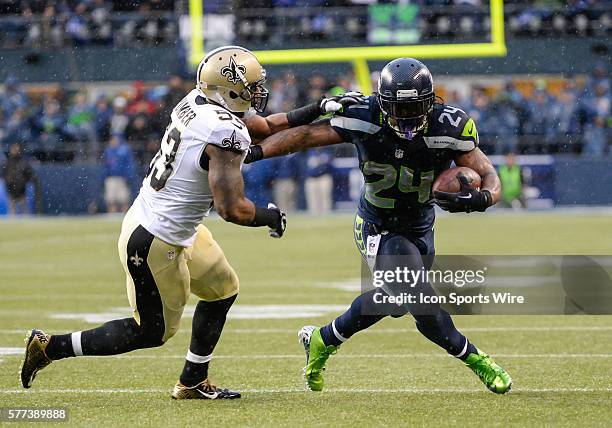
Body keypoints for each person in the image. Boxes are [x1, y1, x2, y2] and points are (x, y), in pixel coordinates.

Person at [20, 45, 359, 400]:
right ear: (228, 88)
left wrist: (318, 108)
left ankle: (193, 380)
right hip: (155, 240)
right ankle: (50, 347)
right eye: (251, 86)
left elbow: (264, 126)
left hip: (168, 222)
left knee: (222, 288)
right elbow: (233, 209)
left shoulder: (199, 101)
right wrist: (270, 216)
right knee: (151, 332)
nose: (258, 91)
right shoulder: (222, 133)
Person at [246, 58, 512, 394]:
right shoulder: (364, 115)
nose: (406, 116)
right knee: (418, 300)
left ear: (431, 101)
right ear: (383, 103)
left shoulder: (451, 126)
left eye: (414, 106)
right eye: (399, 108)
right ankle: (477, 360)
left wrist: (483, 199)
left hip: (421, 225)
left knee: (396, 301)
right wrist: (254, 153)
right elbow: (303, 137)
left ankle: (322, 338)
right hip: (379, 224)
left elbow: (489, 175)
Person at [2, 143, 38, 215]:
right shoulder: (8, 163)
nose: (15, 151)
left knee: (24, 211)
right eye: (14, 149)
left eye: (17, 149)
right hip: (11, 190)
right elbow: (4, 175)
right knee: (13, 211)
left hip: (21, 191)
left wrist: (22, 182)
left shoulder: (23, 162)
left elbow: (30, 175)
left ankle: (27, 224)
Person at [103, 134, 135, 213]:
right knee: (111, 199)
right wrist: (104, 176)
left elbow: (129, 164)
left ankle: (125, 216)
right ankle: (112, 216)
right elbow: (105, 165)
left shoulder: (124, 149)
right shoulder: (108, 150)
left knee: (124, 199)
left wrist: (128, 176)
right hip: (111, 177)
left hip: (122, 177)